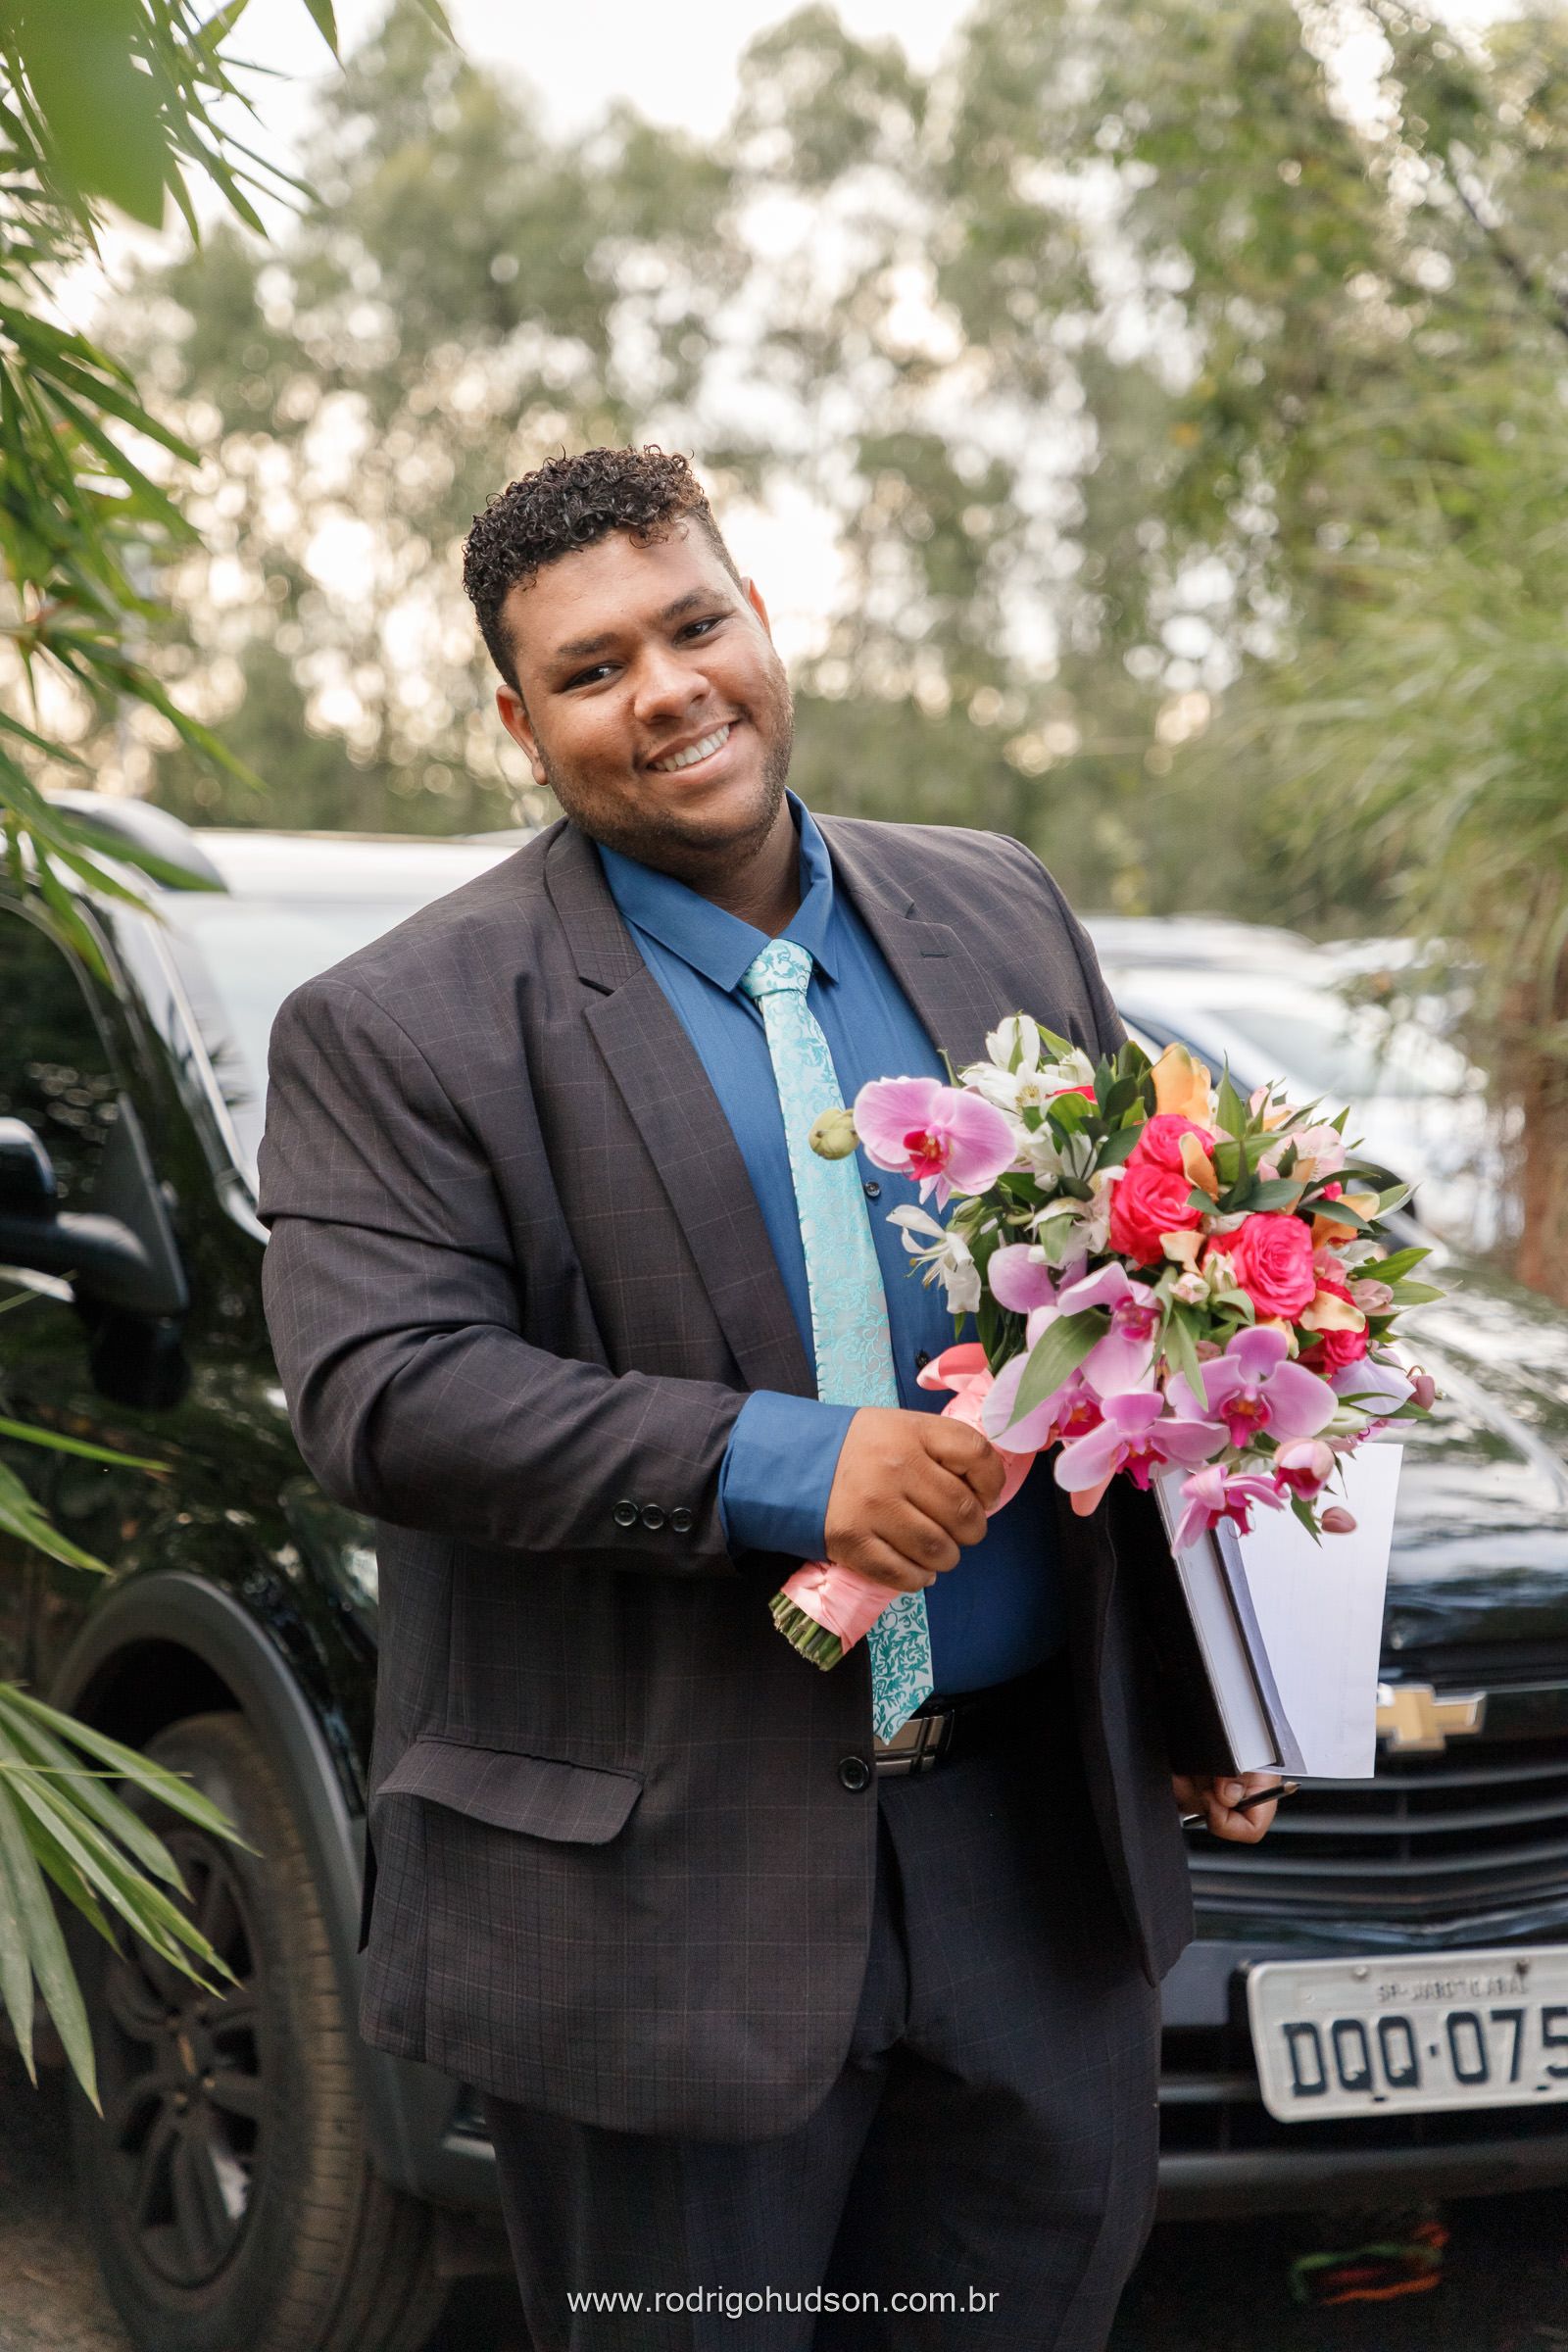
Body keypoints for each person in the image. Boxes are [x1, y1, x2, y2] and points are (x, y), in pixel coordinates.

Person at [257, 445, 1277, 2352]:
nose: (663, 689)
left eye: (692, 623)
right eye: (588, 668)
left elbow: (1142, 1301)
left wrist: (1215, 1676)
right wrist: (779, 1467)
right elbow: (378, 1388)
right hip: (664, 1900)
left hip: (1032, 1872)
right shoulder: (395, 1025)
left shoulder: (998, 917)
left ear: (761, 621)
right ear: (517, 719)